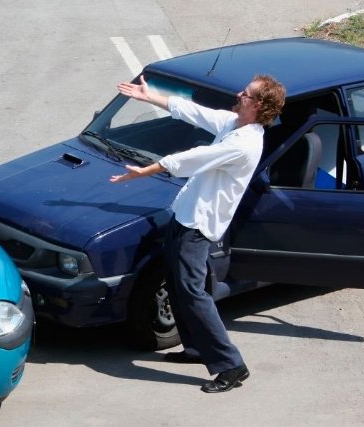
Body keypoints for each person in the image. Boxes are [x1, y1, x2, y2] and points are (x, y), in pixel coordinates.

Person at [110, 74, 285, 393]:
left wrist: (147, 170)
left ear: (257, 105)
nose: (238, 93)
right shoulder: (234, 124)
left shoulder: (243, 143)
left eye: (244, 93)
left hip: (198, 226)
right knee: (181, 285)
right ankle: (195, 349)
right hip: (187, 216)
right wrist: (150, 97)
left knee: (192, 292)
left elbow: (194, 158)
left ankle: (231, 365)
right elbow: (194, 111)